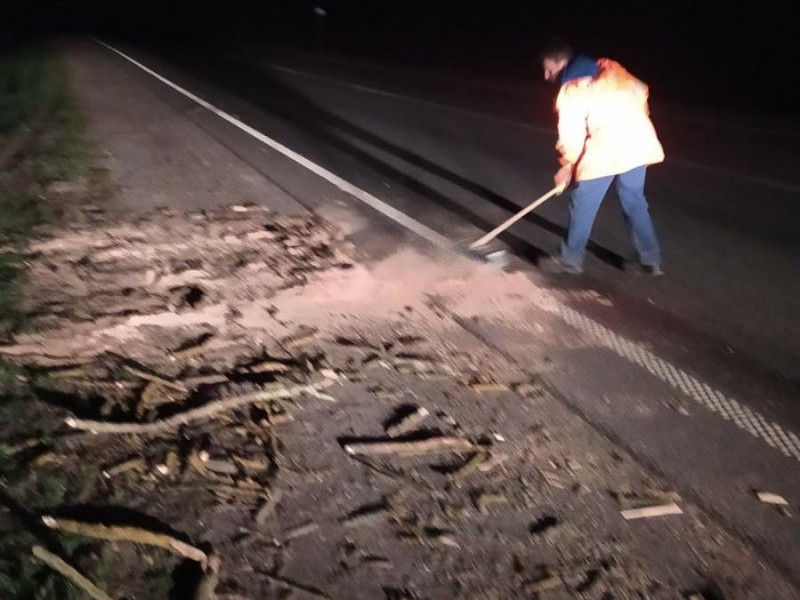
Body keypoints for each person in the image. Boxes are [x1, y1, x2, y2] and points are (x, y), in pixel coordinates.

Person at [540, 42, 665, 275]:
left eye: (549, 69)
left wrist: (567, 165)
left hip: (607, 148)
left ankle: (570, 259)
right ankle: (650, 260)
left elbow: (571, 133)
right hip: (639, 141)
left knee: (583, 202)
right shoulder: (614, 71)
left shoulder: (573, 87)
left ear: (562, 62)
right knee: (634, 200)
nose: (547, 76)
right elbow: (642, 93)